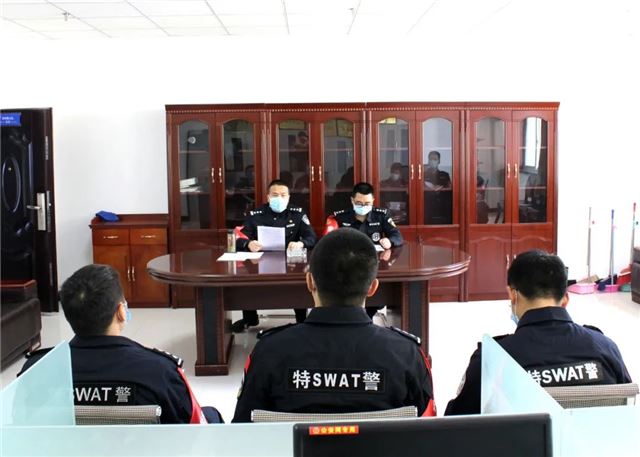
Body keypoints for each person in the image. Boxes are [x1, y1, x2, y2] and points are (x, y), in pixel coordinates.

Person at [232, 229, 435, 422]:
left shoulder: (268, 351)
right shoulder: (407, 355)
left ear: (310, 282)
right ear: (373, 287)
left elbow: (242, 429)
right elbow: (428, 432)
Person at [18, 264, 222, 424]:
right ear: (121, 311)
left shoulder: (35, 370)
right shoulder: (160, 371)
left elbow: (20, 427)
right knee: (212, 415)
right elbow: (193, 429)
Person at [445, 250, 632, 415]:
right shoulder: (605, 348)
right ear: (565, 299)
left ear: (512, 294)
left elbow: (457, 422)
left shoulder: (492, 358)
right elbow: (627, 408)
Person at [233, 178, 317, 332]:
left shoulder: (297, 213)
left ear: (288, 197)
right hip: (260, 262)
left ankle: (301, 320)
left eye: (283, 195)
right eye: (275, 195)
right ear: (268, 197)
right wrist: (248, 244)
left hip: (291, 262)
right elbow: (239, 237)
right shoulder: (256, 214)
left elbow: (311, 237)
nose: (279, 198)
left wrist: (301, 243)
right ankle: (250, 318)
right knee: (246, 281)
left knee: (298, 283)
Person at [323, 182, 403, 319]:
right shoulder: (340, 217)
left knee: (377, 295)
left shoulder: (381, 215)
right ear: (352, 200)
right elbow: (328, 241)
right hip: (347, 266)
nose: (363, 206)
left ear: (373, 201)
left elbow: (397, 236)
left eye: (367, 203)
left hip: (373, 265)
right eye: (359, 203)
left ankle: (367, 316)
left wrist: (390, 241)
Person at [424, 150, 452, 225]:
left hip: (442, 207)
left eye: (435, 159)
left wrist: (441, 187)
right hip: (427, 207)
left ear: (439, 161)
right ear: (428, 161)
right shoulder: (423, 175)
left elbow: (449, 188)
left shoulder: (445, 175)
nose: (432, 161)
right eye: (431, 159)